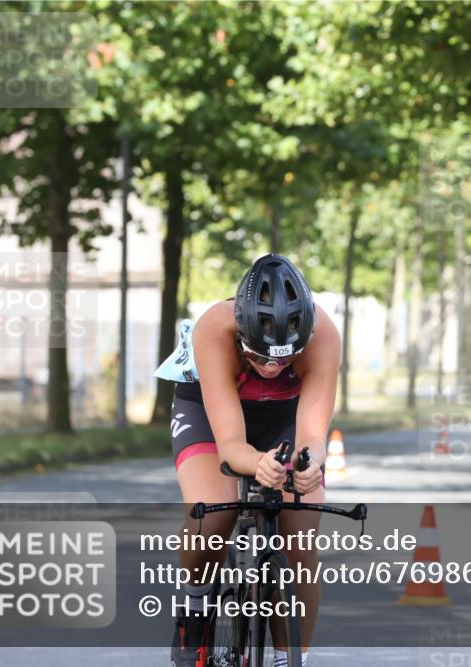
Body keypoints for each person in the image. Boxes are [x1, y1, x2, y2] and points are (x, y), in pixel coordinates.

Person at [156, 254, 340, 667]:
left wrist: (309, 463)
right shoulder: (214, 328)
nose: (272, 367)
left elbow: (312, 433)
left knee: (302, 540)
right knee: (212, 517)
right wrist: (257, 464)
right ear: (241, 333)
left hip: (284, 418)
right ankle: (195, 604)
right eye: (259, 357)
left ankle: (286, 657)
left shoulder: (323, 333)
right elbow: (232, 446)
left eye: (285, 359)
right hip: (211, 414)